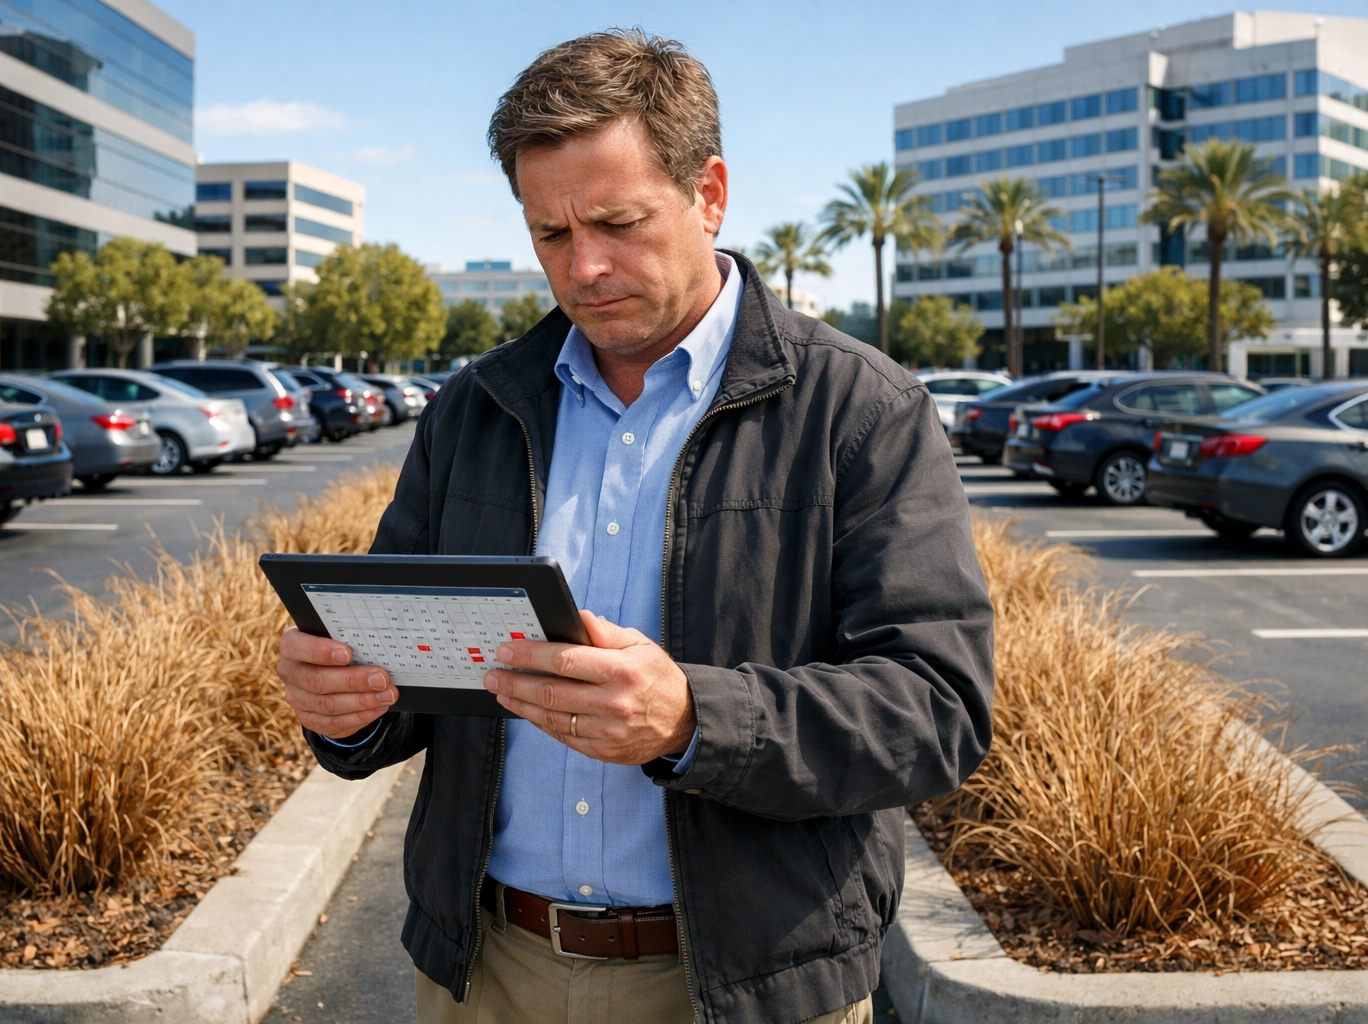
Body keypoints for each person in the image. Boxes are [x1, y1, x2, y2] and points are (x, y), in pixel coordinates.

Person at [276, 29, 993, 1024]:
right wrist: (345, 705)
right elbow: (407, 677)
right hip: (486, 972)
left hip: (749, 986)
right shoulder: (474, 409)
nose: (586, 266)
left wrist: (695, 720)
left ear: (710, 193)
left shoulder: (861, 410)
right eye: (551, 234)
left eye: (618, 222)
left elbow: (937, 708)